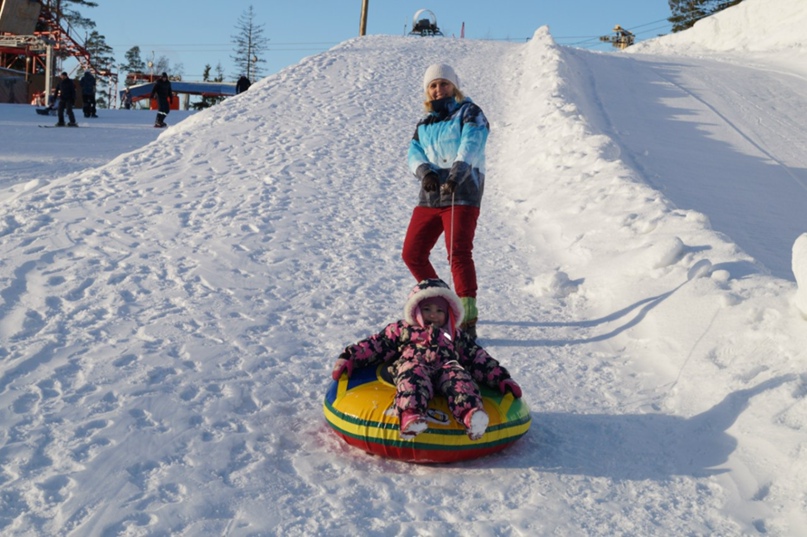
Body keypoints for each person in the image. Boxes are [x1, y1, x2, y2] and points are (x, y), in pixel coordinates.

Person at [330, 278, 522, 440]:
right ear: (416, 310)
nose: (433, 315)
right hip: (415, 363)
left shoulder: (455, 335)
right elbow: (377, 345)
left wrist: (501, 378)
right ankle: (411, 415)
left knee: (459, 378)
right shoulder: (403, 329)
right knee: (412, 377)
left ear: (449, 313)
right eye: (427, 309)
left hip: (445, 366)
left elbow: (477, 357)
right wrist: (349, 357)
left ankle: (471, 415)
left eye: (440, 311)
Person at [402, 63, 490, 340]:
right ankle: (445, 301)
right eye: (433, 85)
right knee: (413, 253)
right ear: (427, 91)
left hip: (462, 191)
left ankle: (467, 317)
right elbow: (413, 152)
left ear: (454, 86)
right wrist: (424, 171)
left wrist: (457, 172)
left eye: (444, 84)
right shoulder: (424, 124)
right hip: (430, 195)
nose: (439, 89)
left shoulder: (470, 112)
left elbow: (472, 142)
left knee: (458, 253)